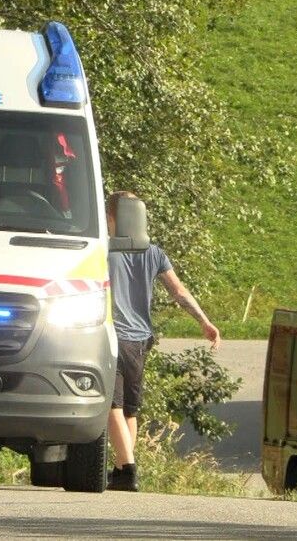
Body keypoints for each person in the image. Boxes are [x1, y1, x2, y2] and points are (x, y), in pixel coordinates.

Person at [106, 191, 221, 491]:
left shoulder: (103, 250)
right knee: (130, 410)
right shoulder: (154, 253)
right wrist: (204, 321)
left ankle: (127, 469)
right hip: (142, 341)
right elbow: (179, 291)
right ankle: (120, 469)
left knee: (112, 405)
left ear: (111, 218)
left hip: (114, 336)